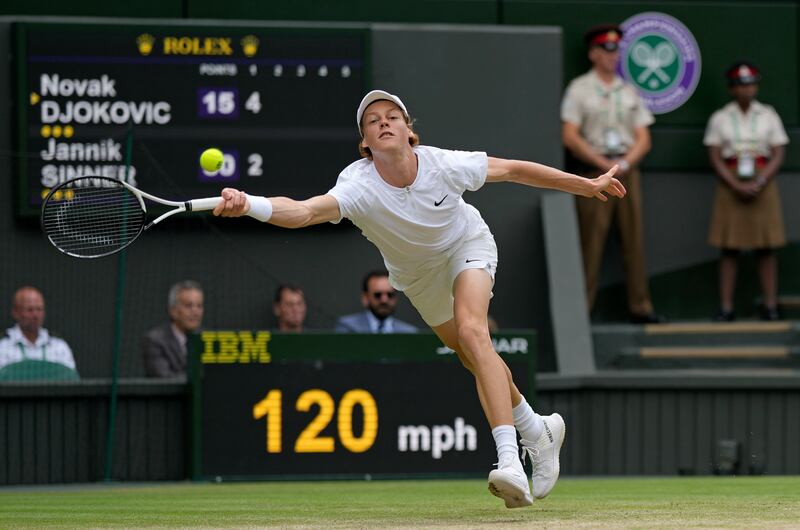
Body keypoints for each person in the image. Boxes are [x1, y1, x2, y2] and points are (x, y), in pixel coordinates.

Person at [211, 89, 625, 508]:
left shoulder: (442, 164)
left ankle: (509, 460)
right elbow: (304, 211)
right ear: (365, 143)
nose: (384, 122)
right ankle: (537, 429)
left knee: (472, 331)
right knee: (470, 355)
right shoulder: (357, 184)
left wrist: (584, 184)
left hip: (468, 246)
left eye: (393, 116)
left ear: (410, 132)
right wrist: (250, 205)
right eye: (373, 121)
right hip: (417, 278)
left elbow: (514, 169)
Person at [561, 24, 664, 324]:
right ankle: (583, 311)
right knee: (589, 244)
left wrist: (626, 164)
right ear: (593, 54)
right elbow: (570, 135)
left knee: (634, 240)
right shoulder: (579, 89)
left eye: (616, 50)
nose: (612, 56)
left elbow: (644, 137)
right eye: (606, 50)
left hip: (626, 171)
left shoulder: (629, 90)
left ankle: (641, 306)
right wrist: (600, 162)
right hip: (593, 173)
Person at [704, 61, 789, 321]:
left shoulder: (768, 115)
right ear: (732, 89)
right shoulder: (720, 117)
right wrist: (736, 184)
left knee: (766, 246)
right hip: (732, 181)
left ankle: (770, 305)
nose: (747, 89)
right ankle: (727, 307)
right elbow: (715, 155)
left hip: (761, 180)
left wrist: (760, 181)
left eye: (751, 84)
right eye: (741, 85)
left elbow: (778, 152)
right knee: (729, 247)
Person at [0, 286, 78, 377]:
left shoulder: (59, 346)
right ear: (16, 312)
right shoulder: (2, 346)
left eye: (39, 309)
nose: (35, 315)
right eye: (30, 310)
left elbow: (71, 382)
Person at [142, 280, 204, 377]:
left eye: (199, 306)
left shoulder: (207, 339)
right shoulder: (155, 340)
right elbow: (163, 377)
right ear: (173, 311)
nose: (195, 312)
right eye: (188, 306)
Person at [335, 270, 417, 333]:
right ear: (366, 298)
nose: (384, 300)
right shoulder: (348, 327)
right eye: (378, 295)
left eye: (389, 295)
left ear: (395, 298)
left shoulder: (409, 332)